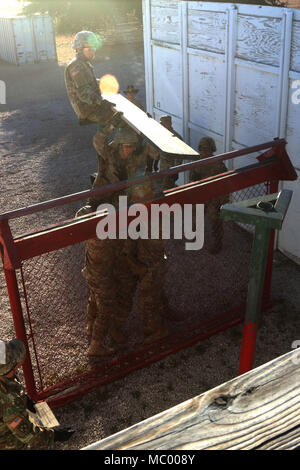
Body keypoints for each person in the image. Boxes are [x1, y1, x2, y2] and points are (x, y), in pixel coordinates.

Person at [76, 128, 169, 356]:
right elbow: (97, 140)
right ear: (118, 146)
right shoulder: (109, 155)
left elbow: (151, 155)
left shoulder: (135, 158)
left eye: (130, 146)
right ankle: (97, 339)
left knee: (101, 295)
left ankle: (102, 328)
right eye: (124, 146)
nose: (127, 150)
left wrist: (155, 148)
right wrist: (106, 126)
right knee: (106, 298)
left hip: (101, 257)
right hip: (106, 221)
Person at [0, 338, 74, 449]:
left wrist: (25, 399)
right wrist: (54, 435)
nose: (17, 369)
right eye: (15, 368)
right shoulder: (8, 402)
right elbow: (28, 435)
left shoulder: (4, 375)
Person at [65, 30, 121, 140]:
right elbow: (84, 93)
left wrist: (104, 84)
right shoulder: (76, 66)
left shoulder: (83, 63)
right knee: (120, 119)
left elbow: (87, 82)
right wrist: (101, 102)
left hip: (90, 105)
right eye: (89, 49)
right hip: (87, 109)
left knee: (118, 111)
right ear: (79, 49)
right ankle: (101, 144)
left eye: (94, 49)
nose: (92, 52)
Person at [189, 137, 229, 254]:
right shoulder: (197, 162)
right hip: (201, 195)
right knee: (196, 216)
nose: (204, 152)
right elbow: (192, 178)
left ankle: (217, 243)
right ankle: (195, 235)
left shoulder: (218, 164)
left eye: (207, 149)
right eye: (202, 149)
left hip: (214, 197)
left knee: (215, 220)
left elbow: (225, 182)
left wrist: (223, 200)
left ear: (212, 149)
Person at [147, 115, 183, 188]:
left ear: (170, 124)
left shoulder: (176, 137)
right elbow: (158, 151)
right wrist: (156, 163)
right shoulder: (162, 135)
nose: (162, 126)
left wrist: (175, 171)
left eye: (165, 124)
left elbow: (179, 157)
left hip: (171, 170)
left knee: (168, 190)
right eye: (161, 124)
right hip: (163, 169)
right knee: (162, 188)